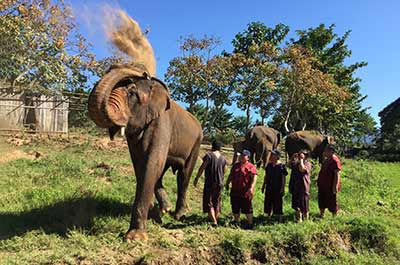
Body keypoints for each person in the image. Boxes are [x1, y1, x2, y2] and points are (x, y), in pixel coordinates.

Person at [194, 140, 228, 226]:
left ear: (212, 147)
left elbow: (202, 167)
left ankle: (214, 221)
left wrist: (197, 178)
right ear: (220, 148)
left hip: (210, 182)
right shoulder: (223, 159)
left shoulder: (209, 156)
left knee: (208, 201)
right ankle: (215, 219)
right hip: (220, 182)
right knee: (216, 201)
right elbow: (225, 170)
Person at [225, 149, 257, 229]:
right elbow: (231, 175)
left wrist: (251, 188)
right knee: (235, 207)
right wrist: (227, 183)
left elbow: (254, 177)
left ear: (248, 157)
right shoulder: (235, 165)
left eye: (243, 155)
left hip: (245, 192)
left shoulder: (251, 166)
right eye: (240, 155)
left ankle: (250, 223)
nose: (241, 157)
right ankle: (236, 222)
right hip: (235, 191)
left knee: (247, 208)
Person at [261, 149, 288, 222]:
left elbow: (283, 178)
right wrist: (263, 185)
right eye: (271, 154)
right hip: (269, 186)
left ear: (277, 156)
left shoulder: (281, 166)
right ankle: (269, 217)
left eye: (273, 154)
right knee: (268, 201)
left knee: (278, 202)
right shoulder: (269, 165)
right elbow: (266, 176)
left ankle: (280, 218)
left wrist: (282, 188)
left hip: (278, 187)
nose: (271, 156)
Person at [317, 144, 342, 218]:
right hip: (323, 185)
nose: (324, 152)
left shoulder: (335, 161)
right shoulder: (327, 159)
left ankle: (334, 216)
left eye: (326, 150)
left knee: (332, 201)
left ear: (331, 151)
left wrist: (335, 186)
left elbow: (337, 174)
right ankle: (322, 214)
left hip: (330, 185)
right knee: (321, 200)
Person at [288, 150, 312, 222]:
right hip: (295, 185)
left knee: (304, 203)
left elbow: (302, 169)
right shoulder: (296, 163)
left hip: (303, 186)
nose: (299, 156)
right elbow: (288, 165)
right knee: (297, 203)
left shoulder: (307, 164)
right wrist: (292, 157)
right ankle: (299, 219)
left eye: (302, 155)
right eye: (299, 155)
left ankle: (306, 219)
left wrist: (301, 160)